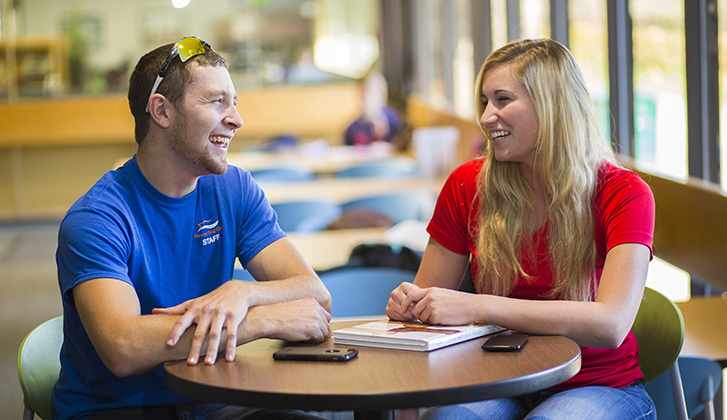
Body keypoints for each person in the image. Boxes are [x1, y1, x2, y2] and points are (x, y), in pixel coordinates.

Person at [54, 36, 333, 420]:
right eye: (217, 102)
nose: (236, 119)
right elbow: (123, 347)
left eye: (234, 102)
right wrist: (259, 319)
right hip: (118, 409)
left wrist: (241, 293)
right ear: (162, 112)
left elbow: (316, 297)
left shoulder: (235, 189)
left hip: (212, 397)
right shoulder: (98, 217)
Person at [386, 38, 656, 420]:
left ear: (551, 106)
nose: (485, 117)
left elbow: (610, 325)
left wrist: (477, 306)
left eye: (502, 99)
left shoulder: (624, 193)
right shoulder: (466, 184)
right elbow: (428, 307)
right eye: (484, 102)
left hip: (597, 385)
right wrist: (412, 307)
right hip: (497, 379)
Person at [344, 71, 408, 148]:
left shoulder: (393, 121)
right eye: (362, 92)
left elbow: (403, 145)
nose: (365, 97)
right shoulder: (352, 128)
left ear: (382, 96)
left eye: (370, 93)